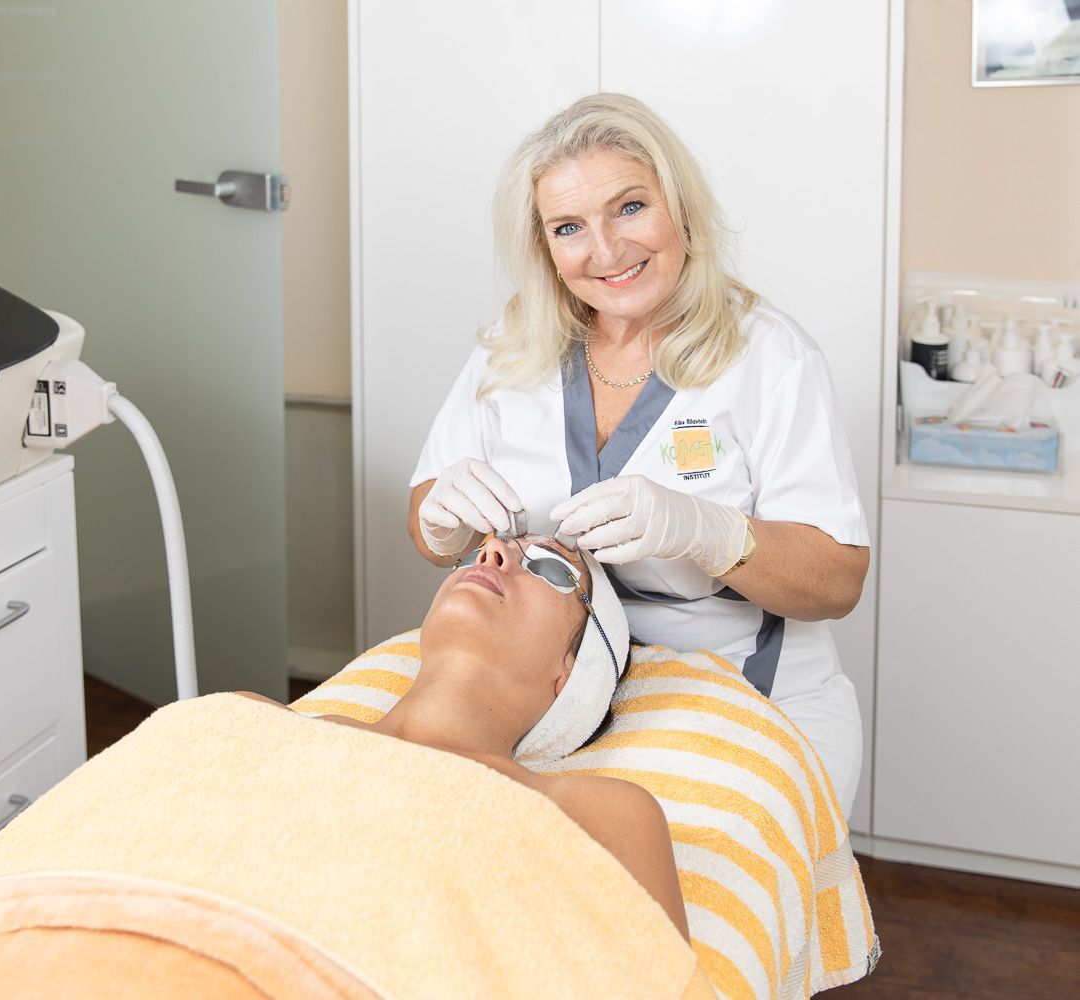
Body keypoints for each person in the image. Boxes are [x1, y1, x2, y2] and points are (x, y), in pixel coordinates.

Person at [407, 93, 870, 816]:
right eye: (569, 228)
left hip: (738, 687)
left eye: (629, 208)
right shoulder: (515, 346)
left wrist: (711, 532)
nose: (607, 250)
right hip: (544, 691)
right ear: (545, 249)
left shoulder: (770, 359)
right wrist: (438, 519)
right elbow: (429, 511)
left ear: (679, 208)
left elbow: (837, 582)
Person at [249, 531, 690, 939]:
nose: (491, 551)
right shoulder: (254, 720)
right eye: (479, 550)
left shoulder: (602, 815)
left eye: (552, 569)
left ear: (573, 673)